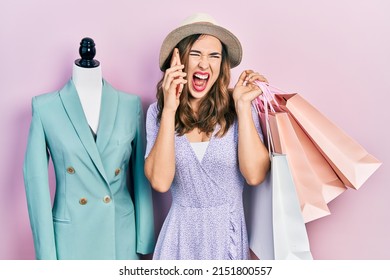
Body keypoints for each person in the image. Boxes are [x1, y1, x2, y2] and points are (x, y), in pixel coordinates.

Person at [144, 13, 270, 260]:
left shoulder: (239, 107)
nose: (204, 64)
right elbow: (160, 182)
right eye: (195, 54)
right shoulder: (158, 112)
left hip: (228, 239)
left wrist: (243, 108)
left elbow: (255, 175)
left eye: (214, 56)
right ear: (177, 61)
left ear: (221, 65)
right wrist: (170, 108)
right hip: (178, 241)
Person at [23, 37, 155, 259]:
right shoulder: (46, 107)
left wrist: (144, 237)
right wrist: (46, 254)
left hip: (119, 235)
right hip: (70, 235)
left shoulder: (130, 105)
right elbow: (34, 181)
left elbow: (141, 177)